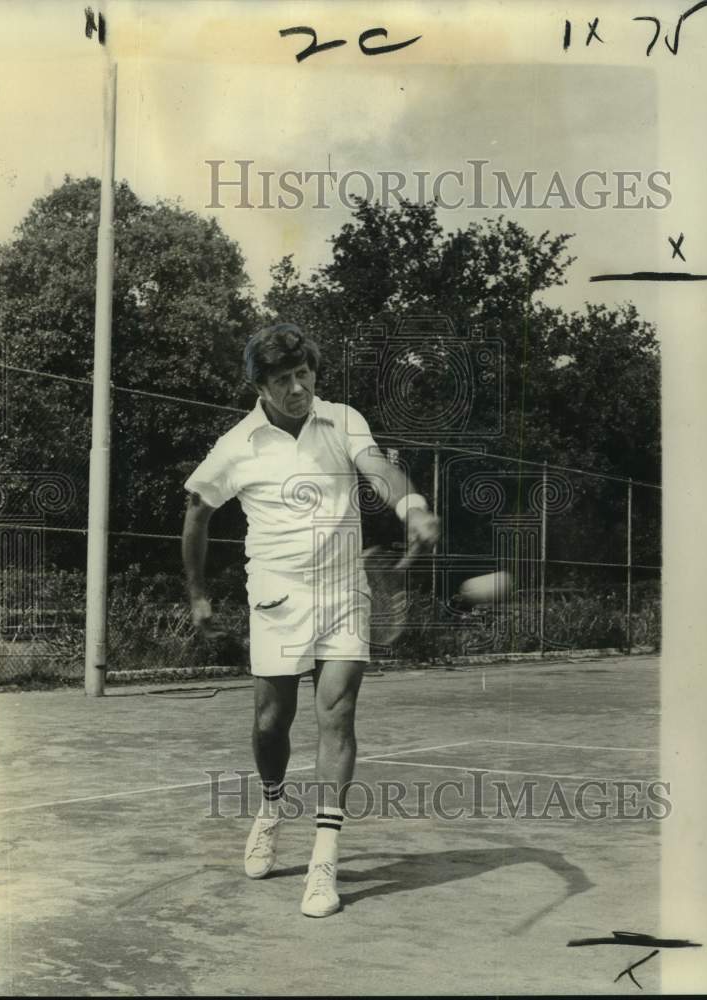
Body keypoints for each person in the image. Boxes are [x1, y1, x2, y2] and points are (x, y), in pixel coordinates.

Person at [182, 323, 438, 917]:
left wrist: (412, 506)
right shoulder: (236, 445)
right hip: (276, 594)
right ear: (261, 387)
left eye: (304, 374)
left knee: (338, 713)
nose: (298, 388)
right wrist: (198, 594)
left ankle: (324, 859)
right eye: (283, 381)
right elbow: (197, 512)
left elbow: (378, 469)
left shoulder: (343, 419)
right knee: (272, 723)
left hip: (346, 590)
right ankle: (272, 806)